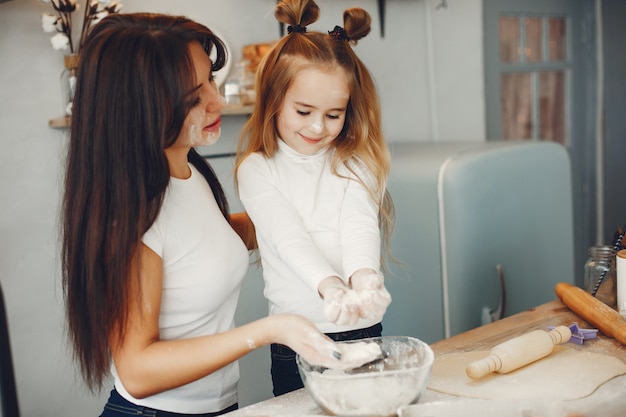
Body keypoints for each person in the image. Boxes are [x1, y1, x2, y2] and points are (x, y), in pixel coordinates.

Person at [60, 12, 345, 417]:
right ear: (136, 109)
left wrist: (313, 213)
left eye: (211, 79)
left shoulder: (184, 171)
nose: (218, 101)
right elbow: (138, 370)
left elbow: (203, 246)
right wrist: (270, 330)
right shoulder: (129, 220)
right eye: (194, 97)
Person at [235, 0, 395, 396]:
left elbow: (357, 224)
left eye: (334, 114)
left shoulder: (354, 162)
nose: (318, 127)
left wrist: (366, 281)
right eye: (304, 111)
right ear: (274, 100)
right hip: (298, 339)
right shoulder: (258, 169)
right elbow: (286, 236)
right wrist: (331, 288)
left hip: (362, 332)